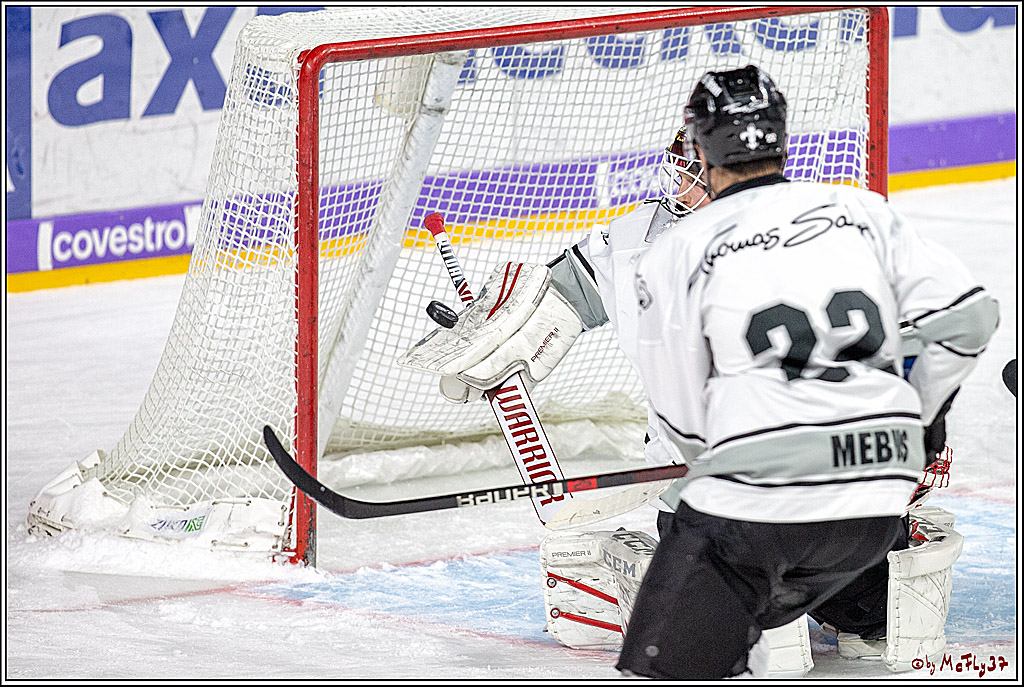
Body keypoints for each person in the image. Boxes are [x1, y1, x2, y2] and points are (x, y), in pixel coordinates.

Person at [609, 65, 999, 679]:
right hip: (876, 505)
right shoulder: (857, 208)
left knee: (670, 651)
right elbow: (970, 319)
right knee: (837, 570)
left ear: (704, 148)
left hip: (756, 516)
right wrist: (917, 423)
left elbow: (681, 414)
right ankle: (865, 620)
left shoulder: (675, 250)